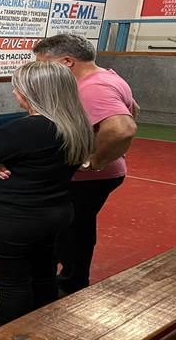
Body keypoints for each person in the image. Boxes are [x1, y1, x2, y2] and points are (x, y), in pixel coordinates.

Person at [0, 61, 94, 329]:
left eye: (18, 88)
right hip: (56, 211)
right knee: (44, 273)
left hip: (14, 216)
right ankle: (42, 328)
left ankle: (9, 331)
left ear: (34, 93)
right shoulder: (78, 125)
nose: (14, 93)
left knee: (13, 284)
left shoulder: (23, 129)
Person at [33, 34, 138, 295]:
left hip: (90, 178)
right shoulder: (109, 76)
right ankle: (71, 278)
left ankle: (69, 283)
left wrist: (95, 162)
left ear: (67, 61)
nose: (42, 70)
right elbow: (134, 108)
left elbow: (123, 127)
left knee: (69, 231)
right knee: (78, 227)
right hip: (102, 175)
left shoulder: (91, 87)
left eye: (46, 63)